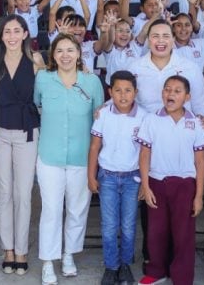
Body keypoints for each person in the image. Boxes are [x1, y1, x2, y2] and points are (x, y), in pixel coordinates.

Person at [35, 33, 104, 284]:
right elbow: (36, 106)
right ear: (53, 55)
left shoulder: (91, 81)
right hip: (49, 157)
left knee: (77, 210)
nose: (65, 55)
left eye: (70, 50)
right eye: (60, 50)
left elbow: (100, 117)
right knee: (51, 210)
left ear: (78, 54)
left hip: (81, 157)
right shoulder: (43, 79)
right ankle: (47, 262)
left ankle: (68, 255)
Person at [0, 14, 44, 275]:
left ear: (25, 33)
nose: (11, 36)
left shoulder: (36, 61)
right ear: (1, 35)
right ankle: (7, 249)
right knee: (4, 194)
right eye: (6, 31)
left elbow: (46, 96)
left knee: (23, 194)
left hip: (27, 132)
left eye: (16, 31)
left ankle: (21, 250)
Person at [136, 76, 204, 285]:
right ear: (162, 94)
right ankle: (156, 271)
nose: (171, 94)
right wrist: (146, 185)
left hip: (185, 185)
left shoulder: (194, 123)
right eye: (167, 90)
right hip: (157, 182)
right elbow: (144, 154)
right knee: (156, 231)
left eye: (177, 91)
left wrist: (198, 196)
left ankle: (182, 277)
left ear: (187, 97)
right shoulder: (151, 119)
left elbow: (201, 162)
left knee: (183, 234)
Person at [88, 70, 147, 285]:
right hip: (108, 178)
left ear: (136, 92)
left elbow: (145, 153)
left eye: (128, 91)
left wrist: (145, 182)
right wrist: (91, 176)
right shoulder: (103, 114)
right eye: (118, 91)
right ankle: (111, 266)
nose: (123, 96)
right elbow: (95, 147)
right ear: (110, 92)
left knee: (129, 225)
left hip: (133, 179)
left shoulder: (144, 117)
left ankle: (125, 265)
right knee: (109, 225)